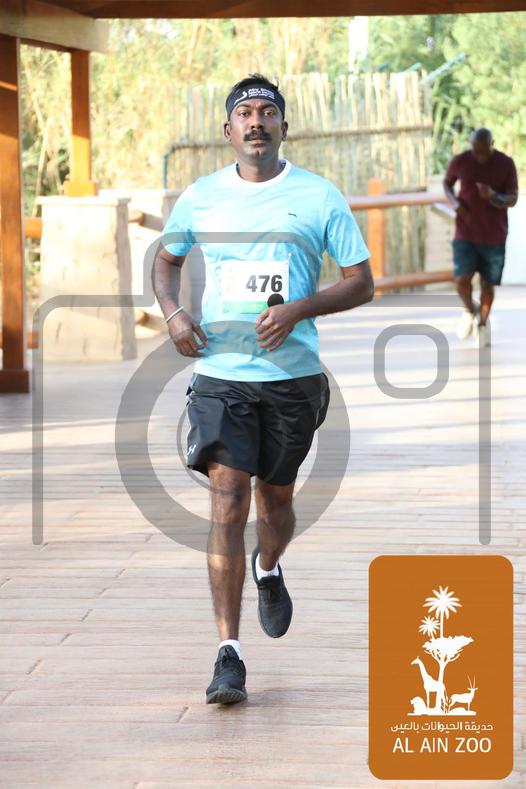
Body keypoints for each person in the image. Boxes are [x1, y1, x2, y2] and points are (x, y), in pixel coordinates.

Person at [152, 73, 373, 705]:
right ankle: (229, 653)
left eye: (267, 112)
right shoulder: (202, 196)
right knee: (228, 499)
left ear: (283, 127)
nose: (256, 121)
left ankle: (269, 565)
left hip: (292, 379)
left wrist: (298, 309)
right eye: (245, 113)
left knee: (275, 505)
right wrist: (174, 313)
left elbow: (361, 281)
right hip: (222, 375)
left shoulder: (319, 196)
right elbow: (166, 260)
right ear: (228, 131)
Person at [443, 127, 518, 348]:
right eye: (476, 150)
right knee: (461, 280)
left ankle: (483, 325)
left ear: (491, 144)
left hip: (494, 235)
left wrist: (493, 196)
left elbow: (513, 198)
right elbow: (447, 183)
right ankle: (469, 310)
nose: (480, 155)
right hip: (465, 232)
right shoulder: (461, 161)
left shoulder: (505, 164)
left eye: (484, 150)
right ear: (471, 145)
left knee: (487, 284)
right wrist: (455, 204)